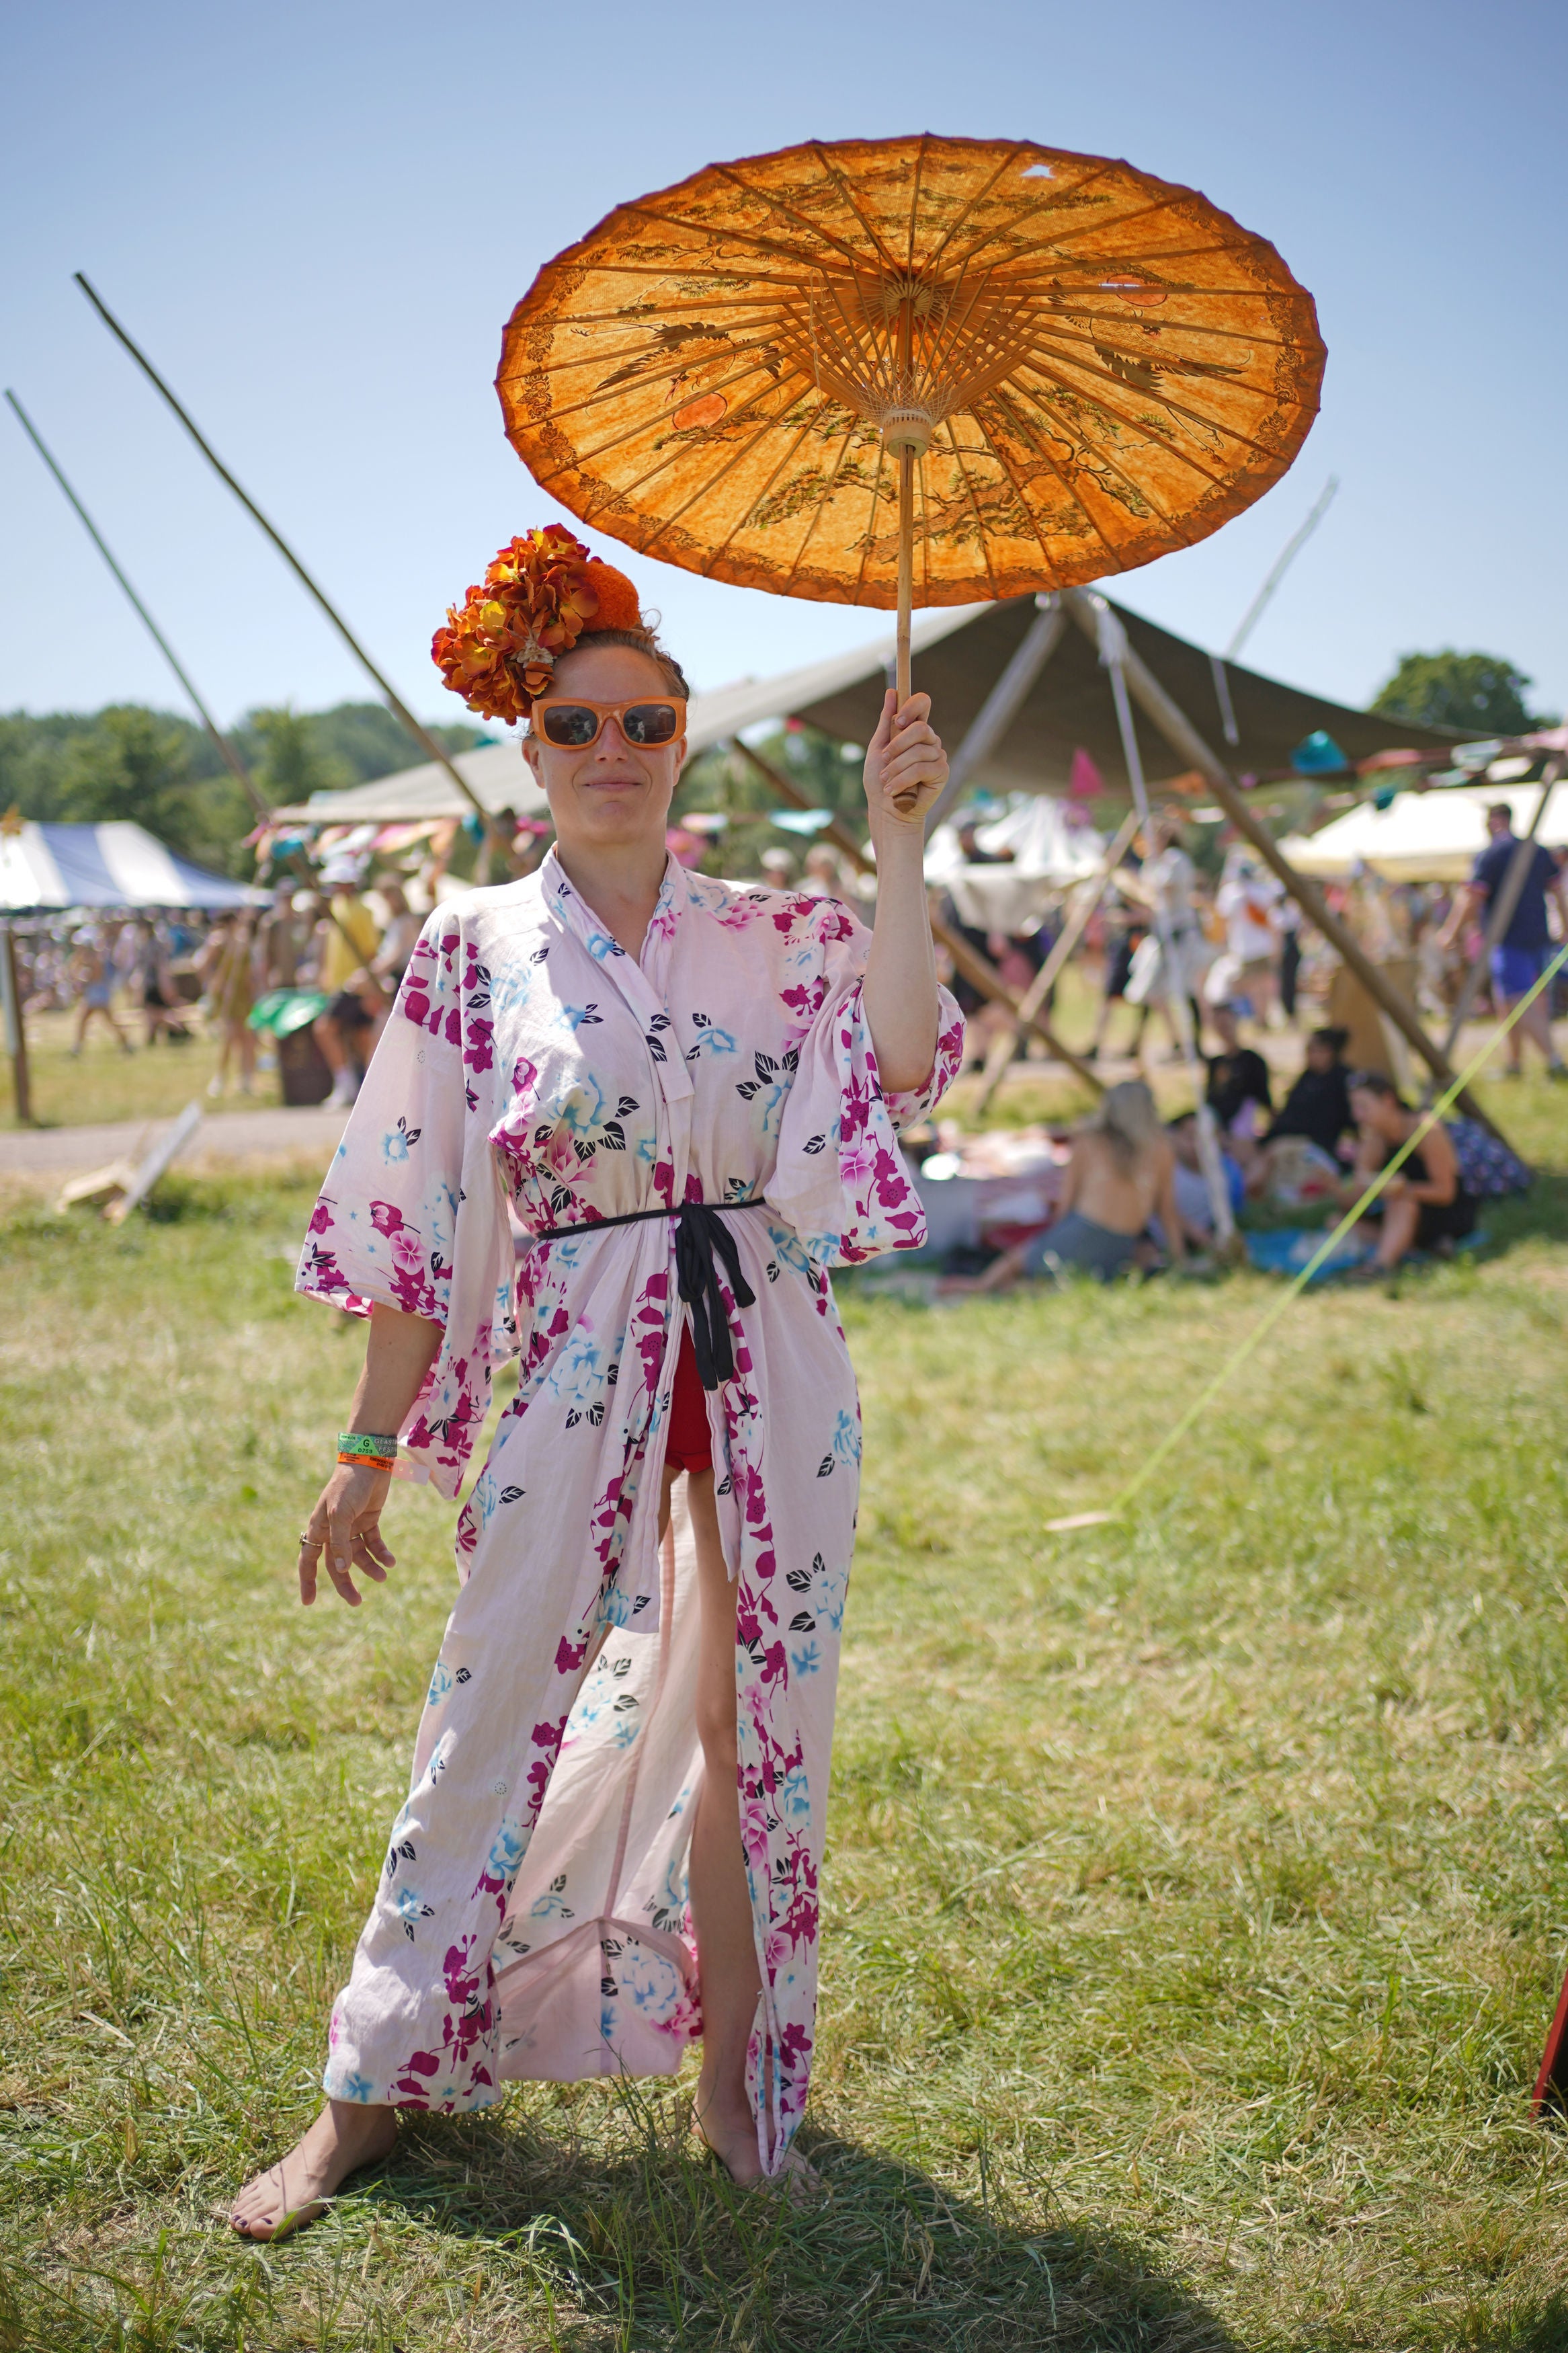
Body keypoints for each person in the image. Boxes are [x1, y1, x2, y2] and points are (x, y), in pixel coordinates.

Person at [229, 530, 961, 2239]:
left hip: (770, 1357)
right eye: (577, 726)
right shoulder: (468, 948)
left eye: (646, 724)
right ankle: (371, 2087)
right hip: (577, 1355)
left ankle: (739, 2070)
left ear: (685, 738)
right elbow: (411, 1214)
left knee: (754, 1720)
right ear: (526, 745)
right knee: (489, 1702)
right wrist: (364, 1443)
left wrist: (901, 850)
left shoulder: (784, 929)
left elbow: (908, 1066)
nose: (613, 754)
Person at [943, 1080, 1184, 1291]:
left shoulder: (1090, 1142)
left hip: (1086, 1226)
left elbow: (1066, 1205)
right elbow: (1166, 1210)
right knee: (1071, 1277)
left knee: (1023, 1258)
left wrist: (1051, 1236)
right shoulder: (1160, 1148)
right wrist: (1179, 1258)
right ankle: (1013, 1288)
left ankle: (980, 1286)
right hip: (1123, 1241)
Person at [1436, 802, 1568, 1077]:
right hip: (1538, 937)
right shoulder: (1537, 850)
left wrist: (1451, 932)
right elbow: (1557, 892)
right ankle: (1514, 1064)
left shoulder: (1491, 854)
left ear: (1494, 821)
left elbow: (1471, 898)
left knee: (1517, 999)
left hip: (1508, 939)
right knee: (1512, 1000)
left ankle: (1554, 1062)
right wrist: (1565, 926)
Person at [1344, 1069, 1475, 1272]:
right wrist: (1339, 1184)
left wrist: (1402, 1189)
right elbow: (1357, 1198)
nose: (1357, 1116)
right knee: (1337, 1223)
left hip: (1443, 1213)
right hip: (1397, 1211)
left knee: (1401, 1202)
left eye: (1363, 1107)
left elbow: (1446, 1193)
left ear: (1387, 1101)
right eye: (1354, 1108)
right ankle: (1412, 1247)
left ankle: (1380, 1266)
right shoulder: (1373, 1140)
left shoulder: (1426, 1130)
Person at [312, 865, 384, 1108]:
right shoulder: (337, 905)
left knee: (327, 1029)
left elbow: (371, 951)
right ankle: (358, 1088)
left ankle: (348, 1086)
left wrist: (367, 983)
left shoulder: (361, 910)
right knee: (357, 1036)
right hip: (341, 983)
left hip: (355, 984)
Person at [1263, 1027, 1353, 1161]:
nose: (1308, 1055)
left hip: (1316, 1145)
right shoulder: (1308, 1077)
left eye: (1312, 1050)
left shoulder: (1343, 1079)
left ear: (1327, 1051)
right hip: (1288, 1138)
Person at [67, 926, 132, 1057]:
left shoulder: (96, 958)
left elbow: (96, 976)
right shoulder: (91, 957)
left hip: (99, 995)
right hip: (95, 994)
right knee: (105, 1022)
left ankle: (78, 1048)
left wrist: (83, 979)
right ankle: (125, 1043)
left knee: (102, 1021)